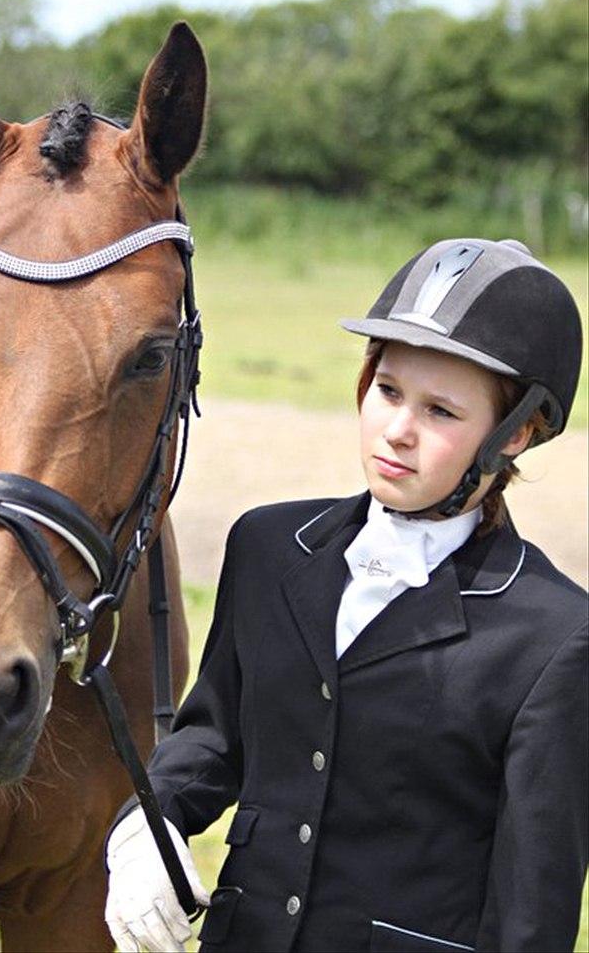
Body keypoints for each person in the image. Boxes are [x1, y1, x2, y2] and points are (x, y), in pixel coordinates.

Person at [105, 238, 588, 953]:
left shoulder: (554, 636)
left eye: (441, 413)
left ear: (517, 433)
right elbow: (215, 735)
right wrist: (152, 821)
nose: (397, 430)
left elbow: (531, 909)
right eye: (389, 391)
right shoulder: (267, 547)